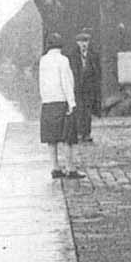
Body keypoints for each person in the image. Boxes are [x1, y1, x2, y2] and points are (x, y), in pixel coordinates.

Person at [39, 32, 84, 179]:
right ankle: (71, 169)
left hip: (47, 102)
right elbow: (66, 82)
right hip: (62, 102)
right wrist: (72, 103)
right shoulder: (63, 60)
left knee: (51, 138)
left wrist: (44, 99)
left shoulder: (43, 61)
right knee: (68, 138)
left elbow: (41, 83)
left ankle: (55, 167)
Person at [66, 30, 101, 143]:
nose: (84, 44)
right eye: (81, 41)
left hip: (89, 89)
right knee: (79, 111)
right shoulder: (72, 56)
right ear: (77, 43)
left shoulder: (93, 56)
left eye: (86, 41)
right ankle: (79, 133)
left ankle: (87, 133)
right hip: (77, 88)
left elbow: (97, 72)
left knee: (87, 111)